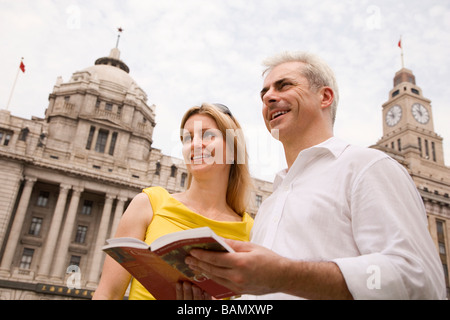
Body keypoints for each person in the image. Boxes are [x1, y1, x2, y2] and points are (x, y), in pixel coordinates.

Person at [185, 51, 447, 300]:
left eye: (284, 85)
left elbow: (420, 281)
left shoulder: (368, 167)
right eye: (264, 93)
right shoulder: (270, 204)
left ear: (325, 97)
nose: (268, 97)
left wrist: (284, 275)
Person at [92, 103, 254, 300]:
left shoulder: (252, 231)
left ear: (232, 150)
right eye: (188, 138)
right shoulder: (149, 204)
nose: (195, 144)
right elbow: (107, 294)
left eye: (207, 135)